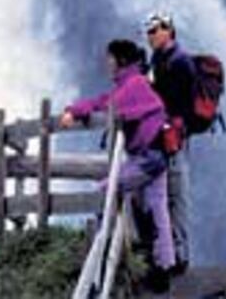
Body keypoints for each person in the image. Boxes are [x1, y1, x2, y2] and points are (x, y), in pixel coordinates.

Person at [60, 39, 175, 293]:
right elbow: (106, 101)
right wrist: (75, 110)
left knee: (106, 191)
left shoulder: (134, 85)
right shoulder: (133, 82)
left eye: (110, 58)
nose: (106, 63)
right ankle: (163, 270)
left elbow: (112, 107)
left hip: (149, 158)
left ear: (121, 60)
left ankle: (101, 260)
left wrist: (76, 111)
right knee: (159, 211)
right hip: (156, 154)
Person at [144, 12, 196, 277]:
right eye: (148, 31)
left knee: (177, 195)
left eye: (154, 31)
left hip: (174, 135)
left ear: (169, 31)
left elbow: (180, 104)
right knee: (165, 196)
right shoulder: (159, 59)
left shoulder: (180, 62)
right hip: (162, 134)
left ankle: (181, 256)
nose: (149, 35)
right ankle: (168, 255)